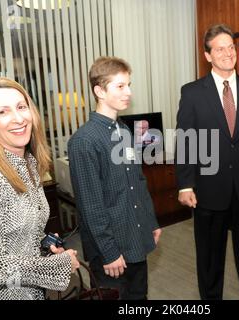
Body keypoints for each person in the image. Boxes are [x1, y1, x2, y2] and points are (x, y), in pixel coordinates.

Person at [176, 24, 239, 300]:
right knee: (210, 259)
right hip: (208, 191)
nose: (228, 53)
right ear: (207, 55)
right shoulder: (192, 92)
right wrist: (185, 184)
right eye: (220, 49)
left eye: (231, 47)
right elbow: (186, 141)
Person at [0, 77, 80, 300]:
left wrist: (43, 244)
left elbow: (18, 233)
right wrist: (58, 265)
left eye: (21, 107)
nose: (18, 118)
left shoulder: (30, 165)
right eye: (3, 112)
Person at [68, 56, 162, 300]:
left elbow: (137, 183)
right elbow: (91, 206)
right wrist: (109, 252)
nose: (128, 92)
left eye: (129, 84)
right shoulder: (84, 141)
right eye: (120, 86)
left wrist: (150, 222)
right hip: (111, 251)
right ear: (99, 90)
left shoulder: (124, 129)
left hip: (135, 239)